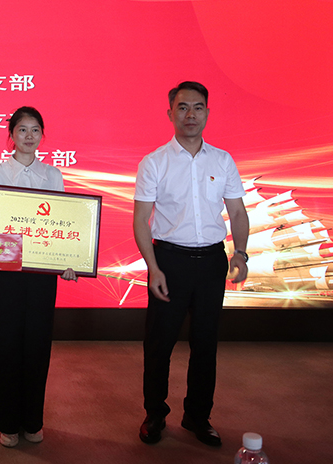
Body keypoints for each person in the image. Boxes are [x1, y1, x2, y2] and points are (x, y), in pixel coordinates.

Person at [134, 81, 249, 448]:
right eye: (182, 107)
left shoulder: (223, 160)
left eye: (198, 107)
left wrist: (241, 253)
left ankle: (198, 416)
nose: (190, 115)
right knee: (159, 344)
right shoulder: (155, 162)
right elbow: (141, 220)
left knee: (205, 344)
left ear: (208, 113)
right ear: (170, 113)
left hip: (212, 261)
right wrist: (153, 268)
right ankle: (155, 413)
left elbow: (237, 212)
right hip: (170, 261)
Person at [0, 106, 78, 448]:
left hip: (42, 275)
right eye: (22, 130)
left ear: (42, 135)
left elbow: (64, 224)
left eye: (35, 130)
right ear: (11, 135)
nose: (29, 136)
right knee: (6, 347)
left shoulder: (53, 175)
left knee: (37, 346)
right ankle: (7, 423)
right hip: (6, 273)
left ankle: (33, 420)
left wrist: (69, 260)